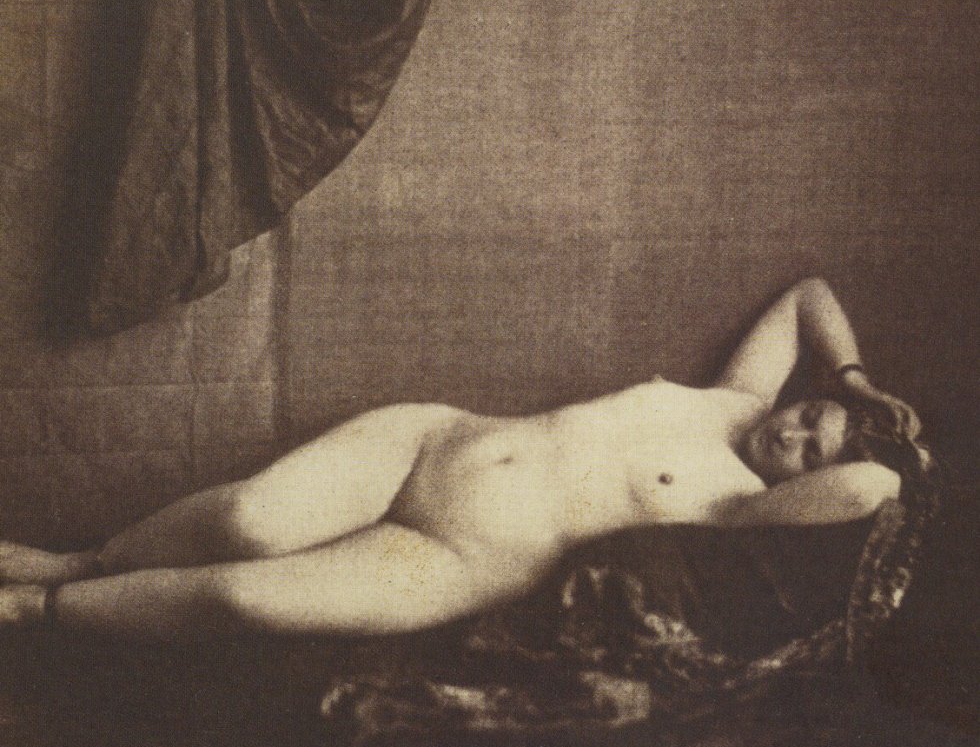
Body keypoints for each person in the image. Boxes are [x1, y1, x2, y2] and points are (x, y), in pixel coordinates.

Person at [0, 277, 921, 642]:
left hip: (457, 559)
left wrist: (901, 451)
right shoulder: (739, 398)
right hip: (433, 442)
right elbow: (810, 294)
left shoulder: (745, 506)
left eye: (808, 453)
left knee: (243, 597)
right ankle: (81, 564)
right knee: (248, 521)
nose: (791, 436)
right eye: (810, 416)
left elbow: (873, 483)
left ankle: (34, 612)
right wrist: (858, 379)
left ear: (807, 484)